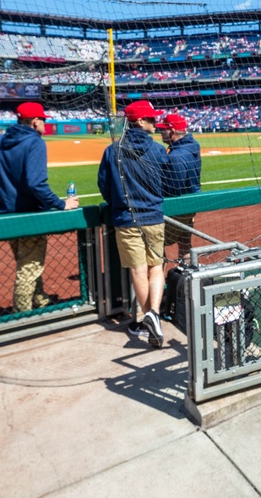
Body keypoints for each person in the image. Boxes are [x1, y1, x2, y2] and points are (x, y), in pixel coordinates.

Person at [0, 102, 79, 313]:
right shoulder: (35, 142)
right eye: (43, 120)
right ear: (35, 121)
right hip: (31, 217)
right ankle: (22, 314)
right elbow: (36, 183)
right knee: (29, 268)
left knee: (28, 263)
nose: (45, 124)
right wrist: (61, 204)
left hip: (8, 217)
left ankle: (40, 300)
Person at [98, 100, 169, 348]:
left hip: (125, 218)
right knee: (156, 266)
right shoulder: (159, 150)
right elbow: (168, 184)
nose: (155, 122)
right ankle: (155, 314)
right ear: (138, 121)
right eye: (150, 118)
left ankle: (150, 318)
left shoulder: (112, 150)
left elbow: (104, 187)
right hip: (153, 216)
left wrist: (118, 202)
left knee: (138, 270)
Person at [157, 113, 202, 260]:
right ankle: (187, 278)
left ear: (172, 131)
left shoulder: (176, 156)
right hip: (191, 204)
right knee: (185, 243)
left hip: (177, 208)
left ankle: (160, 280)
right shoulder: (192, 147)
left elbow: (173, 188)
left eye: (163, 129)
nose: (160, 132)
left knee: (156, 248)